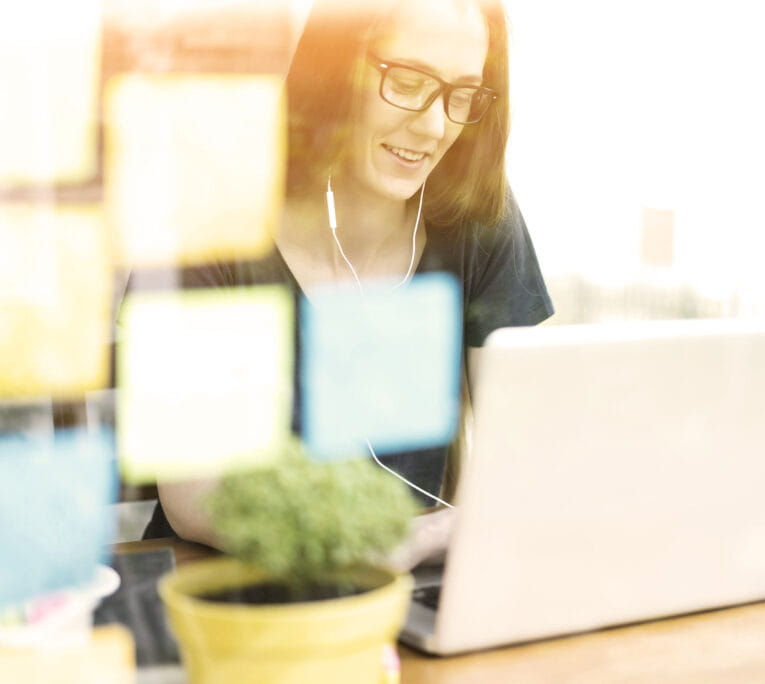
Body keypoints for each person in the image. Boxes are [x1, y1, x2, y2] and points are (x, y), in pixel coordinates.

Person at [141, 0, 554, 568]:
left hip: (403, 591)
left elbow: (533, 436)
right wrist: (394, 543)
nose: (435, 127)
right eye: (407, 83)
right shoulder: (218, 221)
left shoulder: (476, 218)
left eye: (462, 96)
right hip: (226, 590)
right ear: (335, 69)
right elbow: (196, 494)